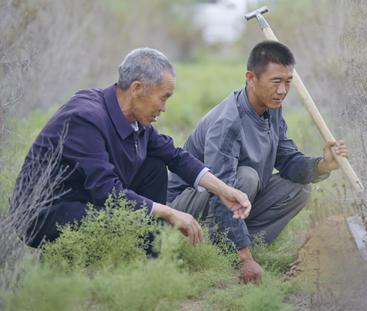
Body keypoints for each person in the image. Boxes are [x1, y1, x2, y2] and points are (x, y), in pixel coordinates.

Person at [12, 47, 251, 249]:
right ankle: (88, 267)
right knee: (125, 213)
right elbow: (107, 192)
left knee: (155, 165)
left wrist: (223, 190)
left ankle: (149, 254)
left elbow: (176, 157)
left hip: (83, 198)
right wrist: (168, 212)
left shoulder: (136, 119)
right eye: (163, 97)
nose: (164, 107)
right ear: (137, 89)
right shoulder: (85, 117)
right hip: (43, 214)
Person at [167, 41, 349, 283]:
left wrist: (322, 165)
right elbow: (223, 194)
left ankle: (232, 245)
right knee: (246, 177)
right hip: (187, 206)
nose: (283, 90)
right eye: (276, 82)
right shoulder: (227, 123)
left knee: (299, 188)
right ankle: (220, 248)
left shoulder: (272, 108)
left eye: (288, 82)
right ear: (251, 78)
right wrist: (245, 259)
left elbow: (288, 160)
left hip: (237, 199)